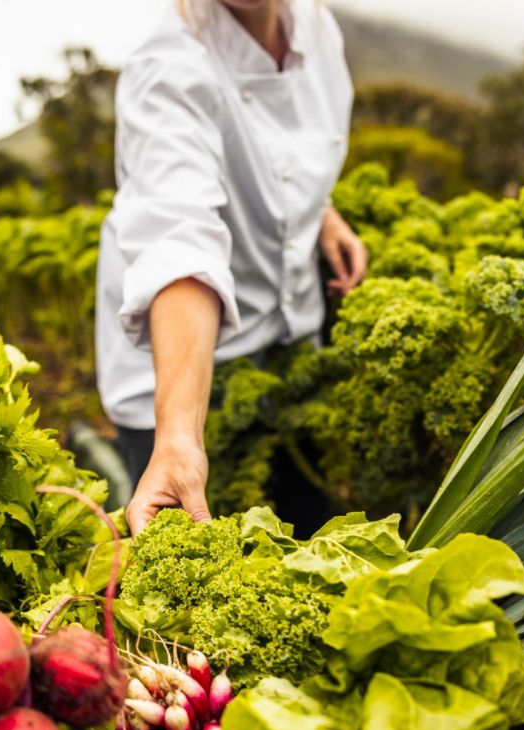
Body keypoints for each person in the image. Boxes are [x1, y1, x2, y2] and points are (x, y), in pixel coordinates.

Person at [95, 0, 368, 536]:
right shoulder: (168, 66)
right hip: (179, 361)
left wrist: (321, 212)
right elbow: (180, 238)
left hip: (285, 335)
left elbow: (286, 152)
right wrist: (177, 437)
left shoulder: (316, 29)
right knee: (200, 570)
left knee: (306, 521)